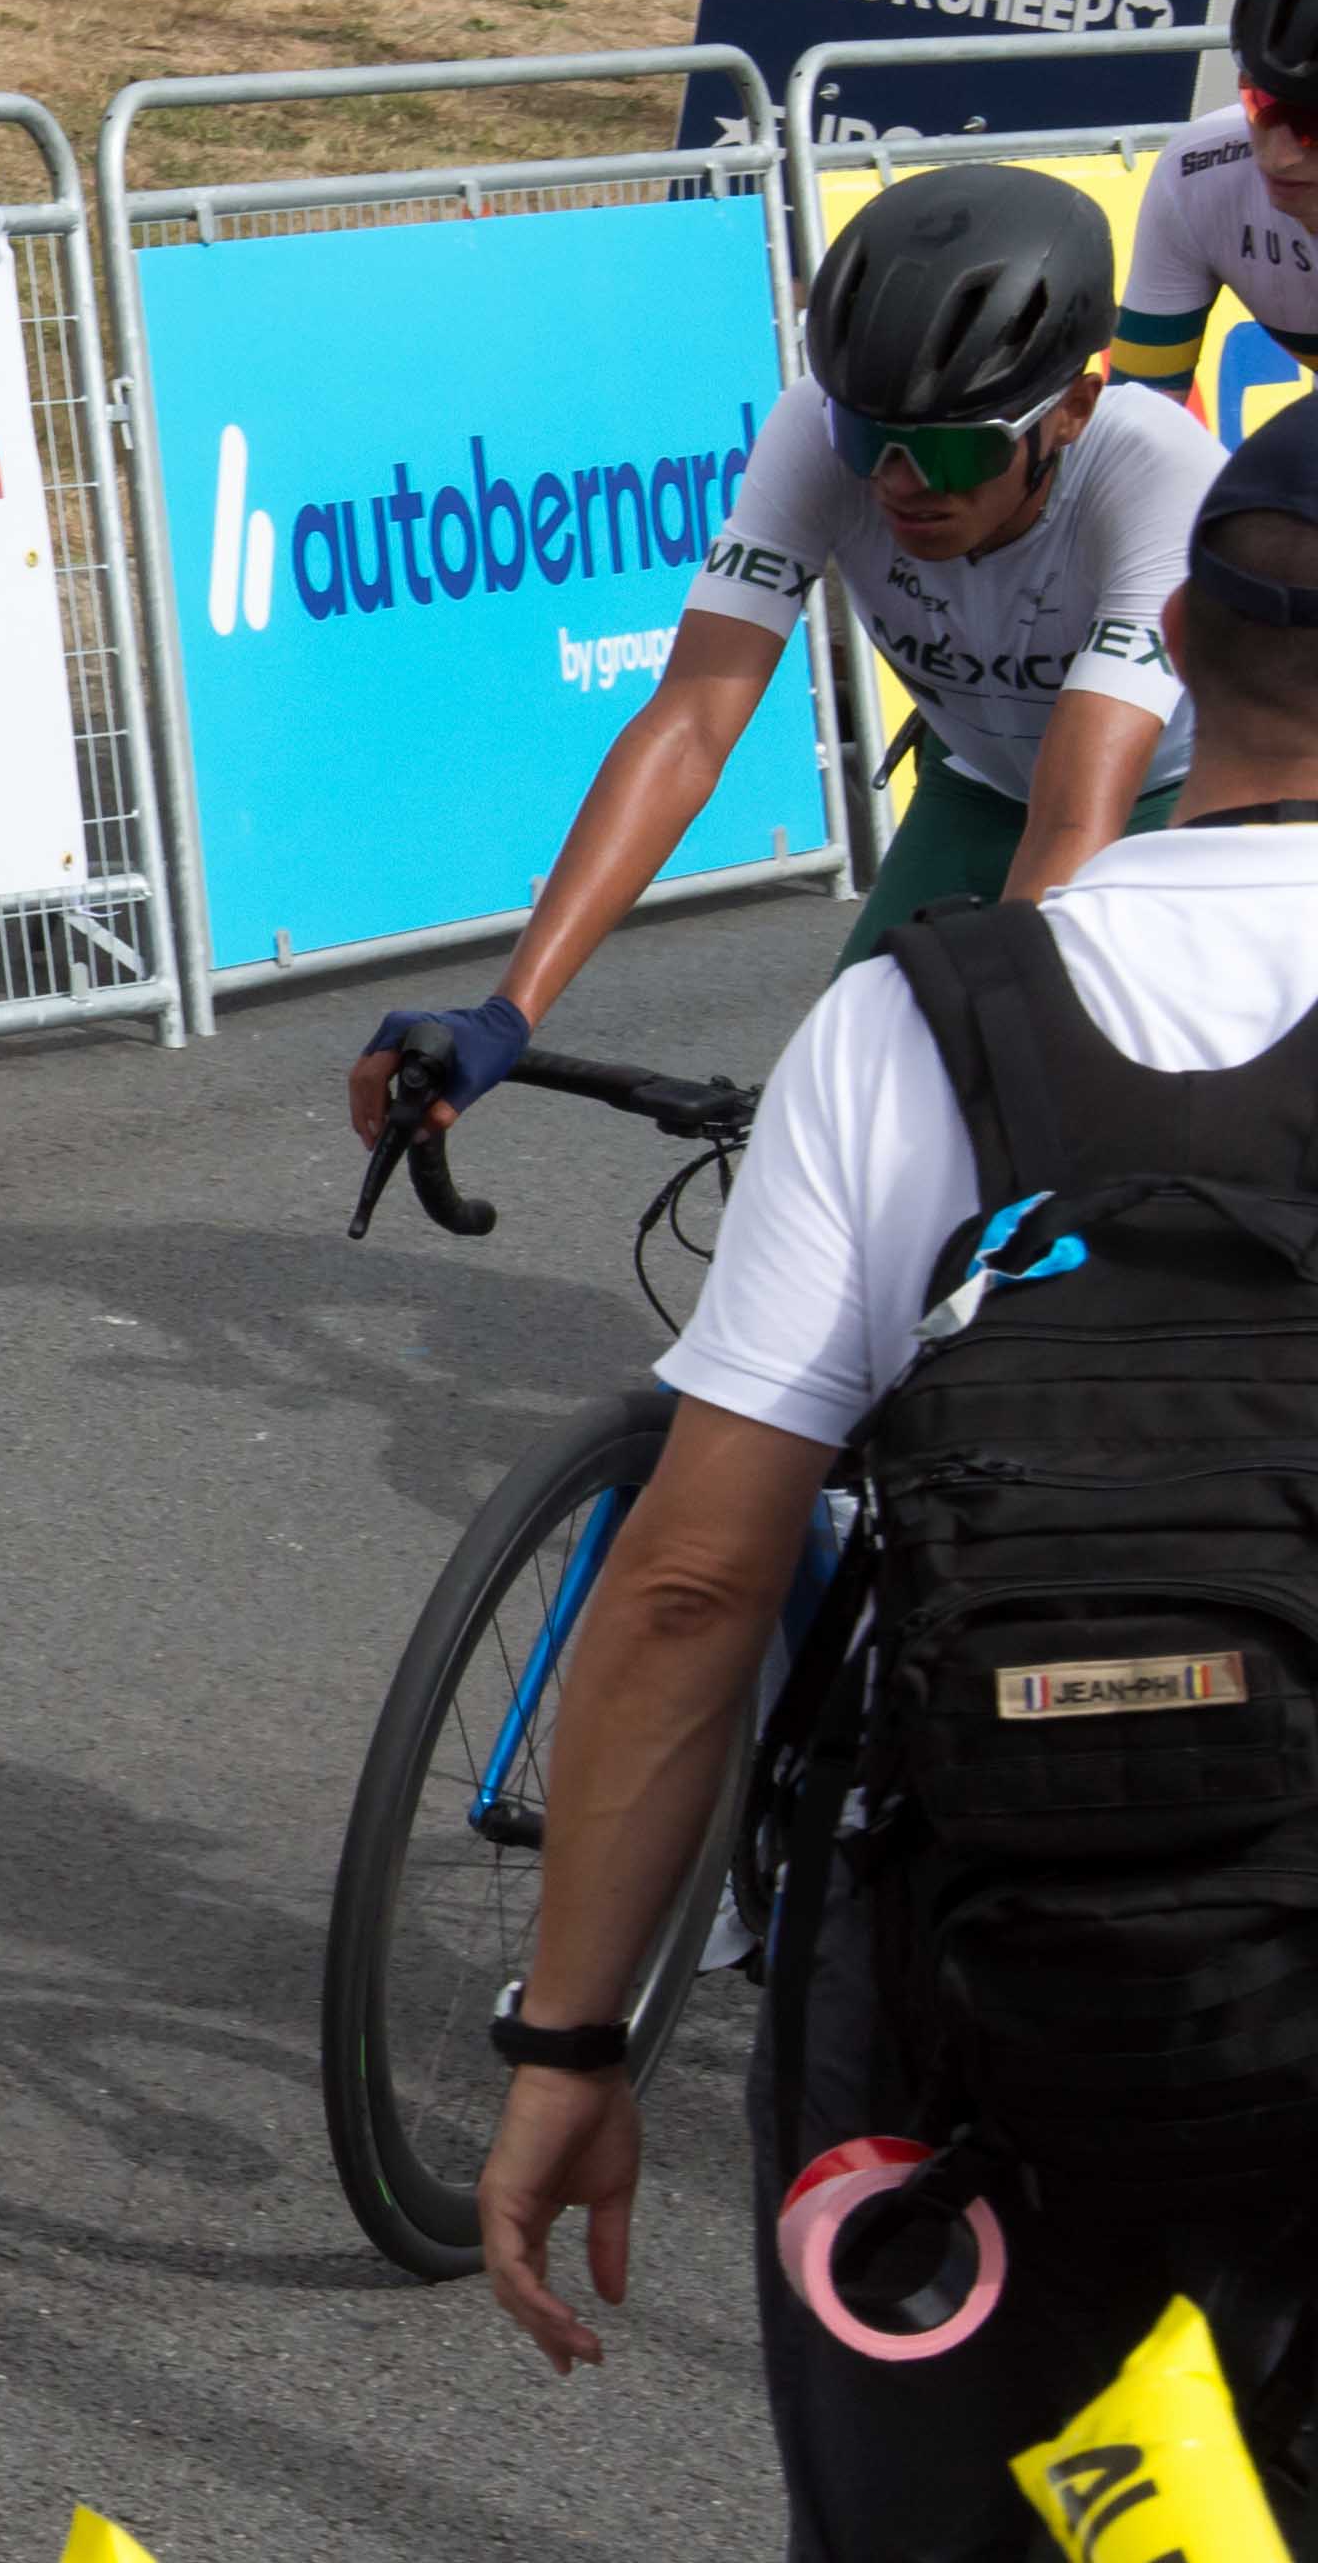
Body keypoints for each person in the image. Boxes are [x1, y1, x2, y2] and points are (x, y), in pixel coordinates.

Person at [475, 406, 1318, 2553]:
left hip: (980, 2005)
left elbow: (689, 1587)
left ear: (1192, 647)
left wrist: (573, 2040)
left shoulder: (926, 1024)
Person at [348, 166, 1221, 1147]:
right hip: (975, 780)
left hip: (1165, 802)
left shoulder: (1155, 473)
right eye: (872, 438)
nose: (902, 482)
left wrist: (991, 1063)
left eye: (956, 450)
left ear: (1071, 412)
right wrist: (507, 1010)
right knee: (836, 1117)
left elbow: (1075, 816)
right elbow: (688, 724)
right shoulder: (809, 431)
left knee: (1067, 1122)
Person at [1114, 0, 1318, 403]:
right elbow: (1134, 427)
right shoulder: (1199, 175)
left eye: (1313, 126)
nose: (1280, 155)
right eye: (1262, 103)